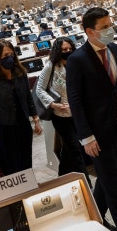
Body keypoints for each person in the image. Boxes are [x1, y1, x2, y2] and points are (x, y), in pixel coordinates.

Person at [66, 7, 117, 231]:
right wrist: (86, 137)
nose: (110, 30)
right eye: (104, 27)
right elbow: (75, 101)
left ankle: (94, 218)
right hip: (97, 133)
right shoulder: (77, 59)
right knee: (115, 188)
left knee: (107, 178)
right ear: (89, 31)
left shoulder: (114, 49)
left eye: (110, 25)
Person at [35, 37, 91, 183]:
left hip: (77, 113)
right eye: (63, 50)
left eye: (69, 49)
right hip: (60, 115)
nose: (67, 52)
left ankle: (62, 176)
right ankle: (87, 184)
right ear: (57, 51)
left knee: (68, 149)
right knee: (75, 149)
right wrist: (53, 104)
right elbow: (39, 89)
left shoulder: (77, 64)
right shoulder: (51, 66)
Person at [0, 40, 43, 175]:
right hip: (4, 130)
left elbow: (28, 98)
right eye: (5, 56)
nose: (9, 58)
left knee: (25, 162)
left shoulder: (21, 74)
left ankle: (27, 191)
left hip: (23, 126)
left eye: (11, 54)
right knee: (9, 167)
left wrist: (36, 120)